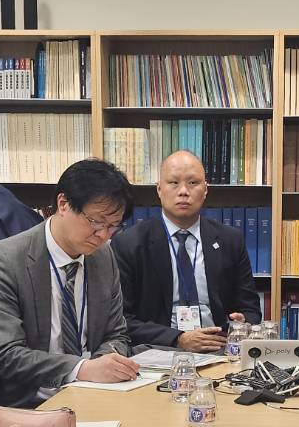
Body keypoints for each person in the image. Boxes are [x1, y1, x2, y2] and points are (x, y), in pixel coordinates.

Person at [0, 159, 140, 407]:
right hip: (32, 402)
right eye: (96, 222)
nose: (103, 235)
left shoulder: (103, 255)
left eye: (113, 226)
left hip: (96, 393)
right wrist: (82, 368)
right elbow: (7, 355)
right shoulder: (3, 260)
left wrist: (106, 363)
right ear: (63, 204)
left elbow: (116, 333)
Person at [112, 149, 262, 352]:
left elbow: (251, 309)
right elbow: (122, 320)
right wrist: (178, 339)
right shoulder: (129, 244)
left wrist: (242, 322)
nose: (183, 191)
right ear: (159, 189)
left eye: (193, 183)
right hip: (158, 351)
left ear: (205, 190)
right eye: (174, 183)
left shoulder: (230, 240)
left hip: (218, 348)